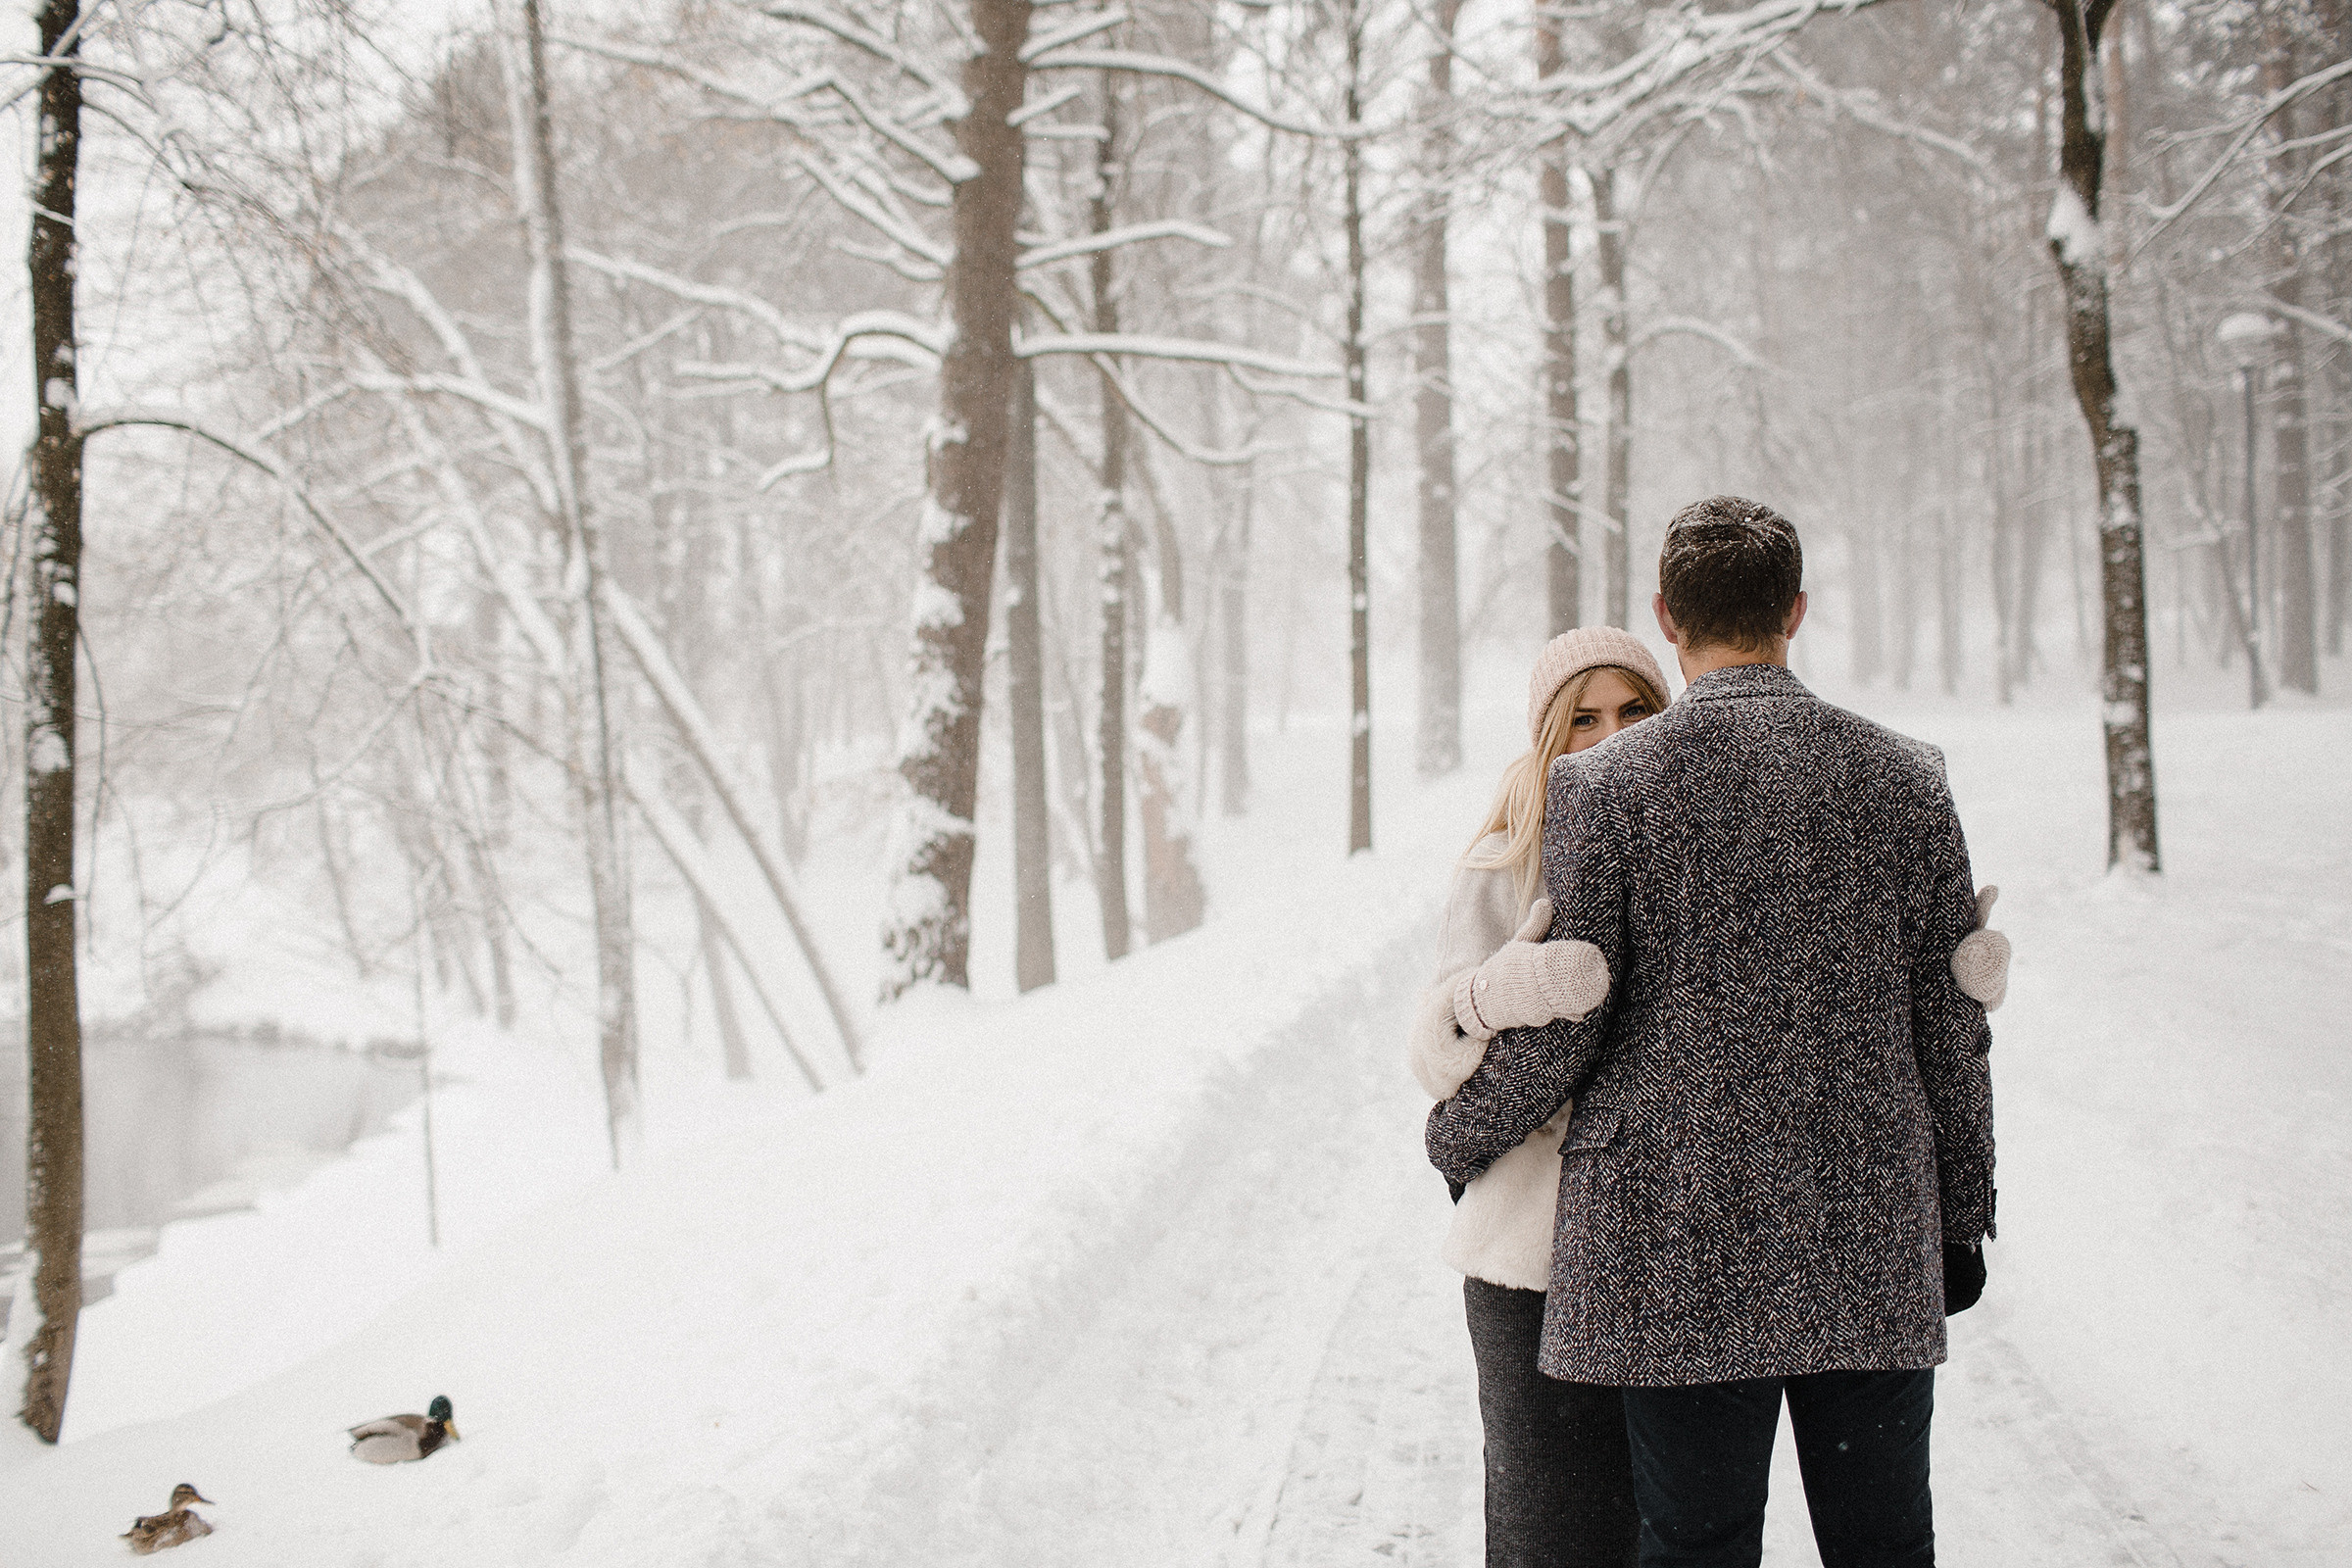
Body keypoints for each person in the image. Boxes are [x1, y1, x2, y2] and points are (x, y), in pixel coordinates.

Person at [1425, 496, 2005, 1568]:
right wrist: (1960, 1213)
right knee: (1884, 1544)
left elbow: (1572, 1020)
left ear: (1666, 616)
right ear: (1795, 610)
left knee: (1697, 1545)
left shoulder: (1603, 789)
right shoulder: (1910, 777)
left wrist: (1456, 1139)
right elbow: (1950, 1027)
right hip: (1867, 1239)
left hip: (1673, 1251)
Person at [1408, 626, 1674, 1568]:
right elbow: (1436, 1061)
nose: (1608, 736)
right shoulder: (1499, 859)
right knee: (1543, 1533)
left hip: (1663, 1250)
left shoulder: (1692, 847)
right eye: (1583, 718)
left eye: (1633, 710)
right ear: (1548, 733)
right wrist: (1492, 996)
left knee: (1664, 1529)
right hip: (1528, 1256)